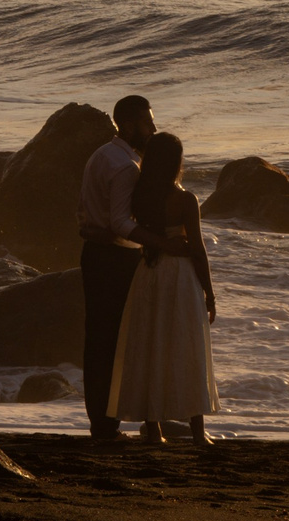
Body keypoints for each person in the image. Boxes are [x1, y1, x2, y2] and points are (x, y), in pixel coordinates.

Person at [110, 131, 220, 446]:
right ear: (176, 163)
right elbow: (197, 250)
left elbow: (131, 229)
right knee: (187, 347)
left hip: (149, 272)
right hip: (181, 276)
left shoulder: (140, 198)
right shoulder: (185, 200)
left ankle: (154, 429)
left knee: (151, 344)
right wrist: (210, 294)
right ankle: (198, 433)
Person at [75, 94, 155, 439]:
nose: (152, 129)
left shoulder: (100, 155)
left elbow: (84, 212)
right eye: (147, 122)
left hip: (94, 253)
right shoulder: (126, 166)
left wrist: (95, 230)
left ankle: (101, 421)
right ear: (128, 124)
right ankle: (109, 422)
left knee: (98, 341)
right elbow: (122, 223)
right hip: (116, 259)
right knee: (116, 342)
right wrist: (158, 242)